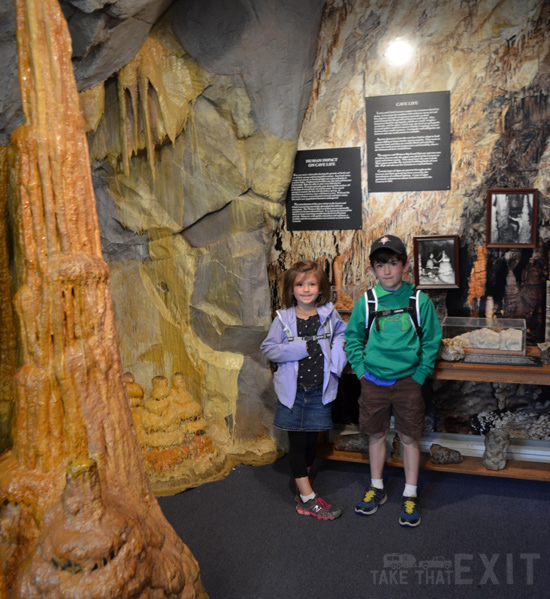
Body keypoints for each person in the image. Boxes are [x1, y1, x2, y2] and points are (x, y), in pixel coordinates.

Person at [344, 235, 441, 527]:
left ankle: (410, 493)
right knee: (375, 434)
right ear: (373, 269)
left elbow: (432, 340)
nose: (387, 271)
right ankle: (377, 487)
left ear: (405, 265)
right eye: (380, 265)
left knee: (410, 436)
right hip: (373, 382)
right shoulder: (367, 301)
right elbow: (353, 339)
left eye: (393, 263)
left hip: (408, 382)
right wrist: (361, 371)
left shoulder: (418, 300)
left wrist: (420, 374)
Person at [261, 260, 347, 520]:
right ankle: (308, 498)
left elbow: (343, 336)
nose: (306, 289)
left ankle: (302, 486)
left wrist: (337, 360)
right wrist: (297, 349)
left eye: (311, 283)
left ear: (320, 288)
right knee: (297, 442)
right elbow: (268, 348)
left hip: (319, 390)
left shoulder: (329, 314)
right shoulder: (283, 318)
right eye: (300, 284)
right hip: (294, 392)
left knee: (311, 440)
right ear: (292, 288)